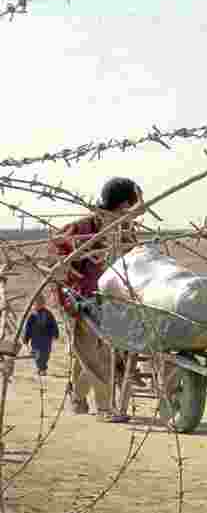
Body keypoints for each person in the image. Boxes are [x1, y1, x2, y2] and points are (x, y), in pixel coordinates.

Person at [51, 177, 142, 421]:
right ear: (123, 205)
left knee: (89, 357)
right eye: (132, 207)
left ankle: (78, 397)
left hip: (112, 303)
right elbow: (60, 256)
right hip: (81, 301)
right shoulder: (83, 228)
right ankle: (105, 408)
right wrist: (70, 269)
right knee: (95, 356)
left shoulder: (124, 230)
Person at [24, 297, 59, 376]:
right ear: (34, 305)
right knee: (37, 354)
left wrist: (55, 334)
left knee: (45, 354)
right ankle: (40, 368)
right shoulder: (32, 315)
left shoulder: (48, 314)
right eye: (36, 304)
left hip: (46, 339)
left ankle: (42, 368)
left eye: (40, 304)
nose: (38, 305)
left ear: (44, 304)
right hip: (35, 339)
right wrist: (26, 338)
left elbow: (53, 325)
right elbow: (28, 328)